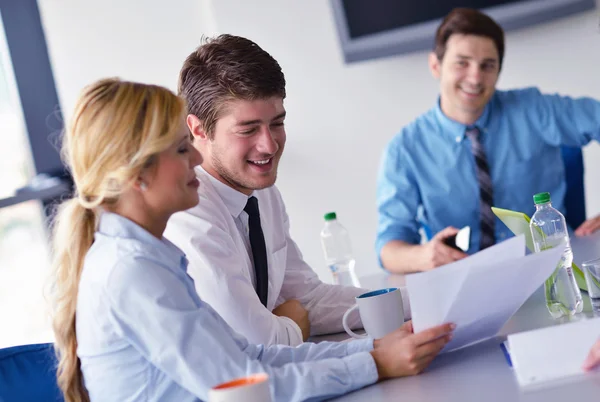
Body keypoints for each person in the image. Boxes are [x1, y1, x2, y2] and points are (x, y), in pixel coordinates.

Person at [49, 78, 454, 402]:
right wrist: (375, 365)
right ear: (138, 175)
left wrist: (372, 353)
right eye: (180, 148)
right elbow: (242, 383)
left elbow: (250, 356)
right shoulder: (131, 272)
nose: (195, 158)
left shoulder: (148, 258)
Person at [164, 34, 410, 346]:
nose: (269, 145)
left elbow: (308, 299)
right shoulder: (189, 213)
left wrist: (419, 301)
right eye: (248, 129)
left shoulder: (261, 192)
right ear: (198, 129)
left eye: (277, 123)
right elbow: (257, 342)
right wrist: (293, 323)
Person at [376, 8, 600, 274]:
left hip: (551, 273)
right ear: (436, 65)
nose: (475, 77)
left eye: (487, 65)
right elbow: (389, 246)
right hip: (467, 285)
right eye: (462, 62)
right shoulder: (405, 150)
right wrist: (423, 256)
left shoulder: (534, 109)